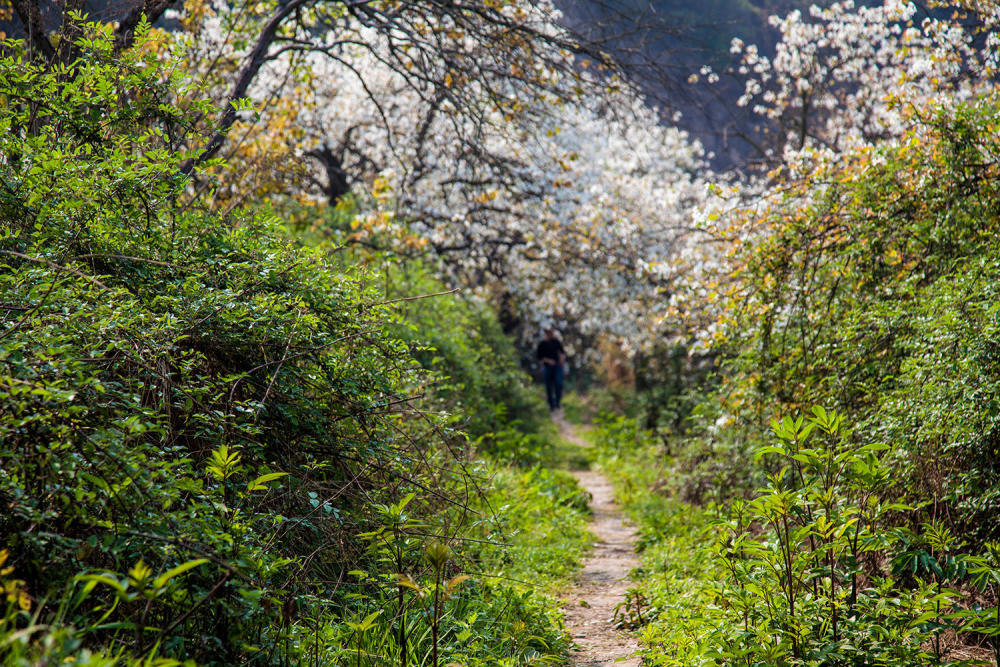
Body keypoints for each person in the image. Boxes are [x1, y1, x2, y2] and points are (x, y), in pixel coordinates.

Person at [536, 328, 566, 412]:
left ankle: (557, 402)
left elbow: (562, 352)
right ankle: (551, 404)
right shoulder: (542, 344)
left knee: (558, 383)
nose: (551, 334)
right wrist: (548, 361)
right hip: (547, 367)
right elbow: (539, 357)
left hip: (557, 366)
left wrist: (562, 360)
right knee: (549, 386)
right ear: (546, 333)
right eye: (549, 333)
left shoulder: (556, 342)